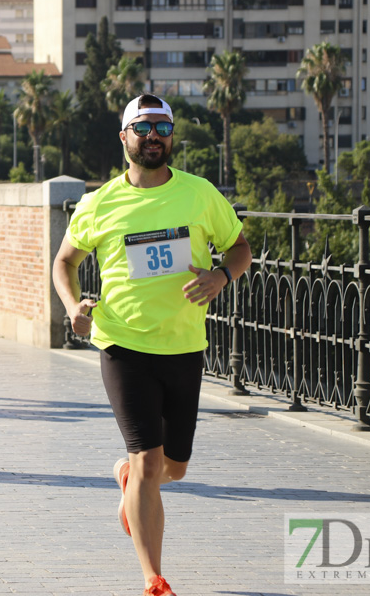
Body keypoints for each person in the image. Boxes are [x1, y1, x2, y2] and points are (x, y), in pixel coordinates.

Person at [51, 94, 251, 596]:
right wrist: (72, 306)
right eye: (142, 127)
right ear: (124, 138)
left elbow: (240, 246)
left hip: (184, 345)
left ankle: (129, 481)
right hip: (122, 343)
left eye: (162, 126)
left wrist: (221, 276)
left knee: (173, 468)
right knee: (146, 459)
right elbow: (64, 262)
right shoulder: (99, 203)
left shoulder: (201, 194)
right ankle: (152, 577)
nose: (153, 135)